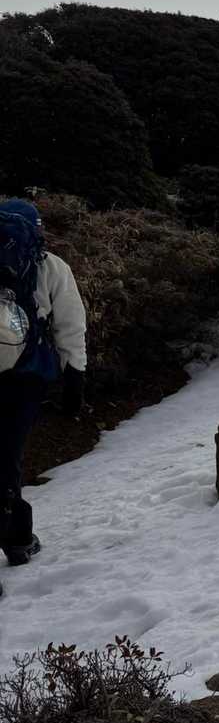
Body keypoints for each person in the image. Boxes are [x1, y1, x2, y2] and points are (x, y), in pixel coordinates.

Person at [0, 198, 86, 596]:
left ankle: (18, 536)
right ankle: (18, 541)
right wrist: (75, 376)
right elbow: (70, 324)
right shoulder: (50, 265)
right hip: (26, 374)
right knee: (7, 458)